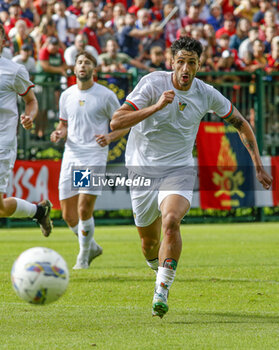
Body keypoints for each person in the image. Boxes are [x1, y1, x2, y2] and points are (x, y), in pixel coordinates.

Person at [110, 36, 273, 318]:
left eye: (192, 62)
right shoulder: (151, 84)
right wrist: (156, 107)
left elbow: (241, 123)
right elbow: (116, 121)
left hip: (179, 169)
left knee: (171, 221)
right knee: (149, 244)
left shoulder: (206, 93)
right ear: (172, 63)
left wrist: (257, 164)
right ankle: (158, 268)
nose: (186, 68)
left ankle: (161, 291)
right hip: (141, 170)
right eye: (181, 61)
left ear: (199, 65)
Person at [50, 51, 128, 270]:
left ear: (95, 69)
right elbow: (63, 124)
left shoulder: (105, 96)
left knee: (84, 208)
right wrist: (58, 133)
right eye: (79, 62)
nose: (83, 66)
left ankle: (83, 257)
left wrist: (110, 137)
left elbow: (123, 125)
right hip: (71, 155)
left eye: (87, 63)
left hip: (92, 155)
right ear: (74, 69)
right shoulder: (67, 95)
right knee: (68, 214)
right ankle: (91, 245)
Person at [0, 23, 52, 237]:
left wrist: (29, 117)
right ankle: (39, 211)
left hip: (2, 143)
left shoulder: (14, 70)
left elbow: (31, 101)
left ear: (4, 41)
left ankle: (39, 212)